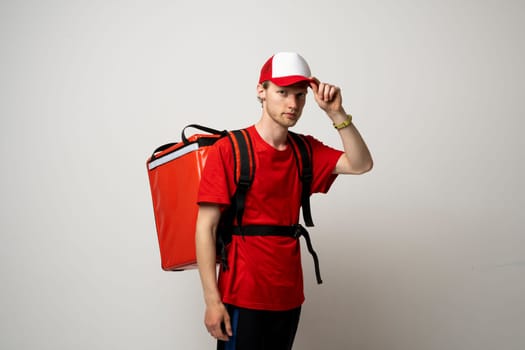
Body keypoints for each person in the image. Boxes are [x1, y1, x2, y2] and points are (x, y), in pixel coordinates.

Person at [195, 52, 373, 350]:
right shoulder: (230, 149)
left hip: (289, 295)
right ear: (261, 91)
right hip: (242, 294)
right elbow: (205, 228)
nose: (292, 104)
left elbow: (361, 163)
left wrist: (337, 115)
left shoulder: (305, 149)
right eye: (282, 93)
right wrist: (212, 302)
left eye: (300, 96)